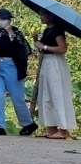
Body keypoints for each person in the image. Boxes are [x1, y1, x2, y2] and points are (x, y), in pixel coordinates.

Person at [0, 8, 37, 136]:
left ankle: (28, 124)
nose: (5, 21)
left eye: (7, 18)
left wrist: (10, 33)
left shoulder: (17, 33)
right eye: (2, 18)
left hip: (12, 67)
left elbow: (24, 49)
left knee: (18, 98)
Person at [34, 11, 76, 139]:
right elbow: (42, 48)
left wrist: (44, 46)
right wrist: (36, 41)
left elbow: (62, 49)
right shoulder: (47, 30)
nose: (40, 17)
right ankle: (51, 127)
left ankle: (63, 129)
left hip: (55, 63)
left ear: (50, 16)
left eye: (42, 15)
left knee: (57, 94)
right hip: (47, 62)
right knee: (46, 95)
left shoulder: (57, 30)